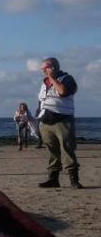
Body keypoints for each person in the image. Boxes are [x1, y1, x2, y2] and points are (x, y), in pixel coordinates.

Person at [37, 57, 82, 188]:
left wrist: (52, 78)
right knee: (52, 150)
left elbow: (63, 91)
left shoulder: (68, 79)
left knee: (67, 149)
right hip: (46, 121)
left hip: (62, 120)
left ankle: (74, 180)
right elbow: (41, 100)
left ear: (53, 68)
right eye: (42, 69)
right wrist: (38, 116)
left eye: (45, 69)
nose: (43, 71)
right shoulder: (44, 82)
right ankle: (53, 179)